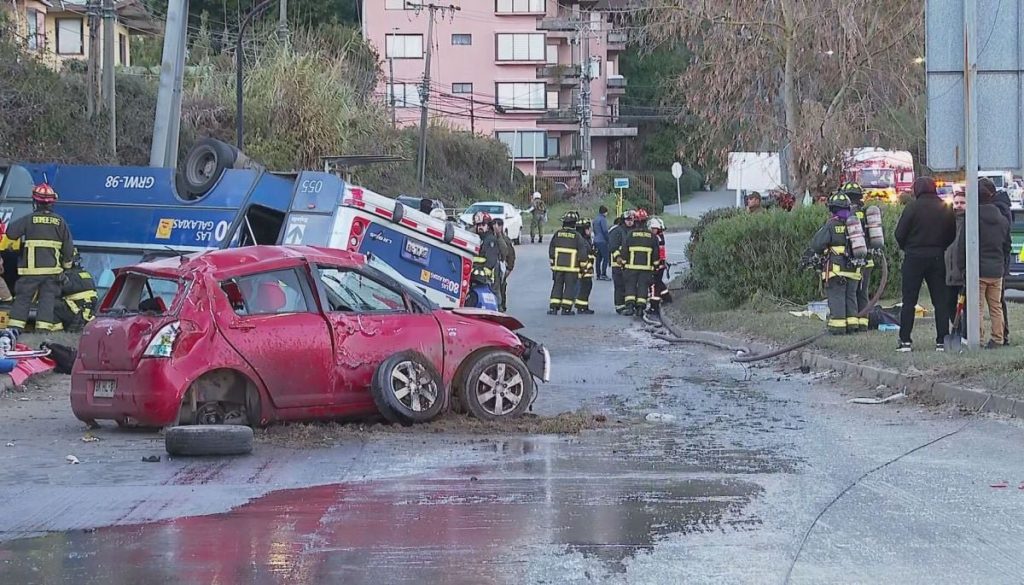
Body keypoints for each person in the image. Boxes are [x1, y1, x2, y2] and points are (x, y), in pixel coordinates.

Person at [893, 177, 957, 352]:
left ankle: (905, 340)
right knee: (940, 301)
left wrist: (907, 247)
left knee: (909, 301)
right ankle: (942, 340)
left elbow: (899, 233)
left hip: (914, 257)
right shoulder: (944, 207)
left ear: (917, 189)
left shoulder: (912, 207)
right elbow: (952, 233)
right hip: (937, 257)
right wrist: (940, 247)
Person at [1, 183, 74, 332]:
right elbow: (68, 248)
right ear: (52, 203)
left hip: (30, 272)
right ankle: (43, 331)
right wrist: (67, 267)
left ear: (35, 202)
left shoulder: (29, 219)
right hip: (51, 272)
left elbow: (11, 233)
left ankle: (14, 329)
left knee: (23, 299)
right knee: (47, 300)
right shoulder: (60, 222)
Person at [956, 179, 1011, 349]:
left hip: (977, 270)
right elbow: (1007, 245)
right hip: (996, 271)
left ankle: (977, 339)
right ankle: (998, 338)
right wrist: (1002, 266)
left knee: (977, 308)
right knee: (996, 307)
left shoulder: (972, 218)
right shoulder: (1002, 219)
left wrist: (963, 268)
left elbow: (962, 246)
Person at [810, 193, 862, 335]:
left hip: (837, 270)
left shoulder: (831, 225)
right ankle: (852, 326)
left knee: (837, 297)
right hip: (854, 269)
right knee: (851, 297)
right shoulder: (854, 224)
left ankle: (837, 328)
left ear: (832, 209)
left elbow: (817, 244)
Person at [617, 208, 659, 319]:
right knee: (643, 287)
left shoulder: (630, 234)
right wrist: (655, 266)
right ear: (646, 222)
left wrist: (624, 264)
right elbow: (656, 254)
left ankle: (630, 307)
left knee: (630, 286)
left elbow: (624, 251)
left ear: (636, 221)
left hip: (631, 267)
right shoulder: (652, 237)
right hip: (646, 269)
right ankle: (640, 308)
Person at [842, 182, 872, 332]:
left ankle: (852, 323)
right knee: (863, 291)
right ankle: (863, 323)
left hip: (853, 259)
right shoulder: (866, 213)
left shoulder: (848, 215)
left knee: (851, 291)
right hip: (868, 260)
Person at [548, 211, 587, 315]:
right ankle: (566, 309)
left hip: (558, 268)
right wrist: (583, 268)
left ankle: (554, 308)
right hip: (572, 269)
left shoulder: (557, 234)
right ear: (574, 223)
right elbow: (582, 254)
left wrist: (552, 264)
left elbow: (551, 250)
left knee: (557, 285)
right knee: (569, 287)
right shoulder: (577, 236)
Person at [54, 251, 98, 332]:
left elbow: (56, 292)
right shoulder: (85, 274)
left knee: (50, 303)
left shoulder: (67, 276)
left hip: (77, 313)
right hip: (88, 314)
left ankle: (57, 330)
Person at [944, 192, 967, 337]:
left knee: (967, 307)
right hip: (949, 272)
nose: (958, 205)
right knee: (949, 304)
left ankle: (966, 333)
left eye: (962, 202)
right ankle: (957, 329)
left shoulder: (970, 222)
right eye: (956, 202)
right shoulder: (947, 221)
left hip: (964, 272)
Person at [993, 188, 1013, 344]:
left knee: (997, 302)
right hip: (1001, 261)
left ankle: (1002, 335)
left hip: (996, 261)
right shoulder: (1004, 208)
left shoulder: (998, 209)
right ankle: (1003, 335)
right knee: (999, 302)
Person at [470, 211, 501, 307]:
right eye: (478, 224)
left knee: (490, 304)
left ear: (488, 226)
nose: (480, 227)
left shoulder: (490, 240)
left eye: (483, 224)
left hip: (487, 281)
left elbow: (490, 263)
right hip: (477, 279)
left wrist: (478, 274)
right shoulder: (476, 239)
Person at [646, 217, 669, 319]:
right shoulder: (660, 237)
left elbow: (655, 254)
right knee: (659, 283)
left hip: (657, 266)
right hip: (660, 265)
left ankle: (654, 307)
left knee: (654, 286)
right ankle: (667, 298)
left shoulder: (656, 238)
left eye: (653, 229)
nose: (652, 231)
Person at [492, 217, 516, 312]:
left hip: (502, 268)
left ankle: (502, 307)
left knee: (501, 287)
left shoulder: (505, 240)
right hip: (492, 268)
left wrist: (509, 269)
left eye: (498, 225)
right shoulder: (490, 238)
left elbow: (511, 255)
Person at [608, 212, 629, 313]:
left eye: (631, 220)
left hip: (629, 264)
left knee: (628, 285)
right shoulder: (616, 231)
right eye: (628, 220)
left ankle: (628, 305)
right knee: (619, 285)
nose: (630, 222)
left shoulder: (631, 231)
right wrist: (618, 257)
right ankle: (619, 307)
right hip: (617, 264)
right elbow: (612, 247)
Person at [574, 219, 596, 314]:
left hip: (586, 268)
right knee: (585, 287)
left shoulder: (584, 239)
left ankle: (583, 306)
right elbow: (583, 255)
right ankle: (581, 307)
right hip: (584, 268)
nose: (590, 231)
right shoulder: (582, 240)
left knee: (586, 286)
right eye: (588, 229)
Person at [593, 205, 611, 280]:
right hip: (602, 241)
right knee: (605, 258)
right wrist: (608, 239)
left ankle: (598, 274)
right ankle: (603, 274)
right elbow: (605, 230)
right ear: (605, 212)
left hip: (596, 240)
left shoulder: (595, 219)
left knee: (598, 258)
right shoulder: (603, 219)